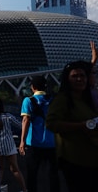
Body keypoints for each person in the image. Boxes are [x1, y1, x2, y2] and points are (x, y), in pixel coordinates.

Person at [46, 60, 98, 190]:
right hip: (75, 160)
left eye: (82, 76)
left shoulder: (86, 100)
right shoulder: (63, 99)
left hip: (91, 158)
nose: (79, 79)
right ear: (67, 79)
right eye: (75, 76)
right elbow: (52, 124)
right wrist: (80, 125)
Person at [18, 76, 59, 192]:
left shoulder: (28, 101)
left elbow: (26, 120)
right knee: (53, 175)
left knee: (32, 174)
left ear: (33, 87)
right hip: (52, 143)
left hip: (34, 144)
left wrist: (22, 141)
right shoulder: (52, 100)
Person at [0, 97, 26, 192]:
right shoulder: (8, 116)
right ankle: (24, 189)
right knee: (15, 169)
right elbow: (20, 125)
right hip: (9, 145)